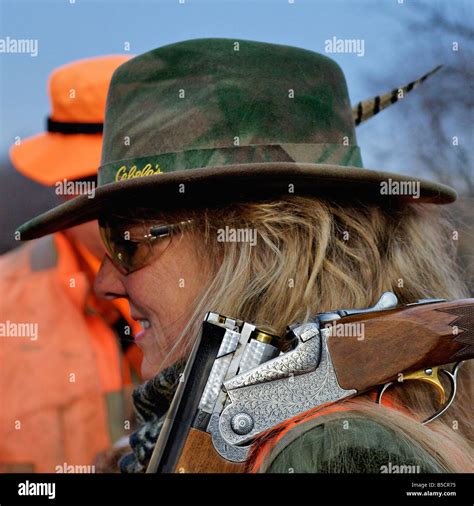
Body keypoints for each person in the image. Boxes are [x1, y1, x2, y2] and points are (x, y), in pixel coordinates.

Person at [16, 38, 472, 473]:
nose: (105, 283)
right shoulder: (215, 426)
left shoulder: (331, 448)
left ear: (261, 246)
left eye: (128, 242)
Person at [0, 55, 143, 473]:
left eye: (136, 183)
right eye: (91, 184)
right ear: (61, 186)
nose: (118, 206)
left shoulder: (247, 287)